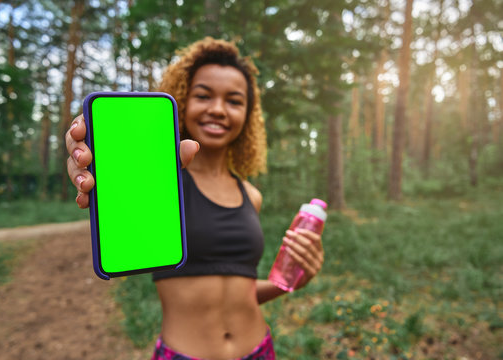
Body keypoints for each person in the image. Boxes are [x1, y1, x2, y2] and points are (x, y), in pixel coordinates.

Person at [65, 37, 324, 360]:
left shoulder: (251, 195)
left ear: (247, 114)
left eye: (234, 100)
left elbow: (239, 295)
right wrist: (89, 160)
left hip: (260, 350)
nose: (218, 109)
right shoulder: (158, 185)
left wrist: (292, 281)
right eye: (204, 96)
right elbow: (118, 194)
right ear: (183, 100)